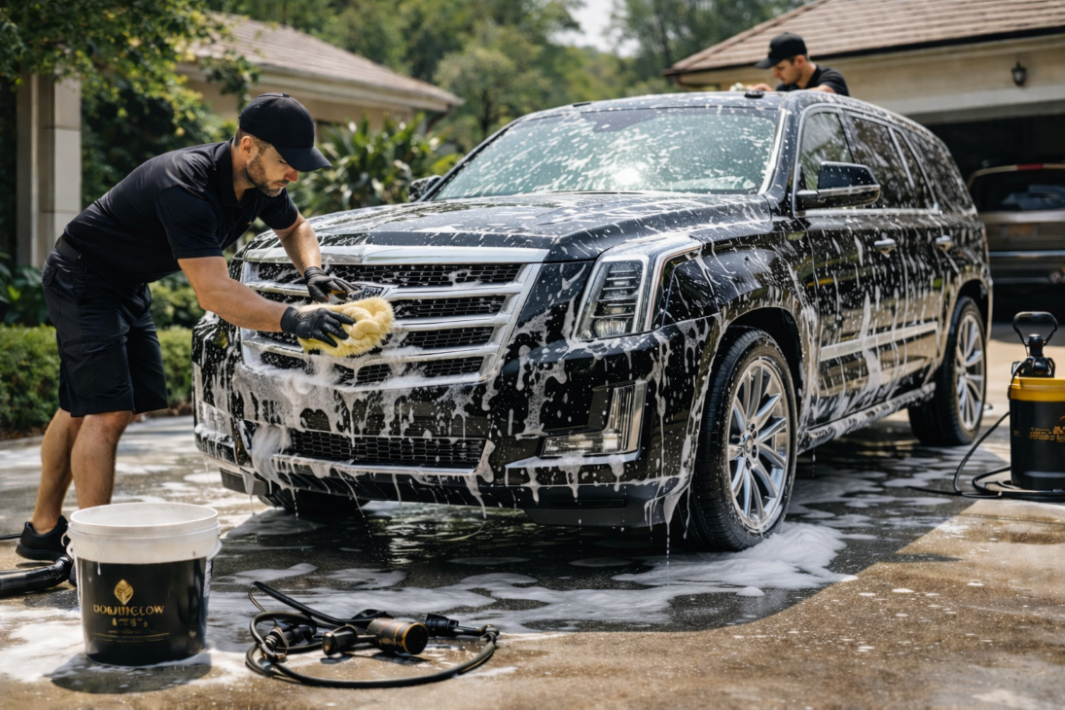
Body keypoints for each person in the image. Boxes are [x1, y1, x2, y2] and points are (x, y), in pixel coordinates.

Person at [15, 93, 358, 562]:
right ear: (248, 146)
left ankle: (42, 530)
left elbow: (295, 228)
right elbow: (214, 293)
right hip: (82, 276)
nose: (293, 175)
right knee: (108, 411)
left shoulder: (261, 182)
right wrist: (294, 318)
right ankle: (96, 555)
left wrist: (311, 272)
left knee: (82, 404)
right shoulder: (186, 188)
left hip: (125, 283)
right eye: (285, 162)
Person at [748, 32, 849, 96]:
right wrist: (769, 98)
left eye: (781, 68)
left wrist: (776, 97)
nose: (776, 74)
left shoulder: (831, 77)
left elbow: (824, 94)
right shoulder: (784, 89)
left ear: (799, 61)